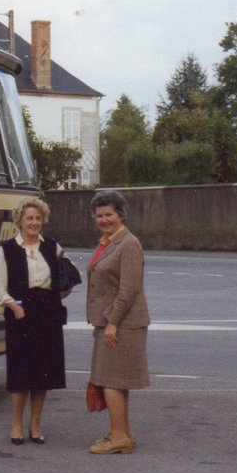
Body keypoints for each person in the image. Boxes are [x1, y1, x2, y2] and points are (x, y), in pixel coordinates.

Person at [0, 197, 73, 445]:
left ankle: (35, 425)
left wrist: (62, 291)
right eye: (29, 218)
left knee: (43, 374)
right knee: (21, 374)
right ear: (20, 221)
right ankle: (16, 424)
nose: (34, 222)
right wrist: (13, 306)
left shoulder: (51, 246)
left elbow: (68, 273)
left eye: (38, 218)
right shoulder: (7, 249)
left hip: (47, 314)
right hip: (21, 314)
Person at [85, 190, 150, 455]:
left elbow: (129, 290)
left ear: (121, 215)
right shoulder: (109, 242)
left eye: (109, 214)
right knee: (115, 380)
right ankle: (121, 433)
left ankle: (120, 437)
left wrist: (111, 323)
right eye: (99, 215)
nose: (104, 219)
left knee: (110, 380)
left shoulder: (128, 243)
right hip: (112, 321)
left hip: (122, 323)